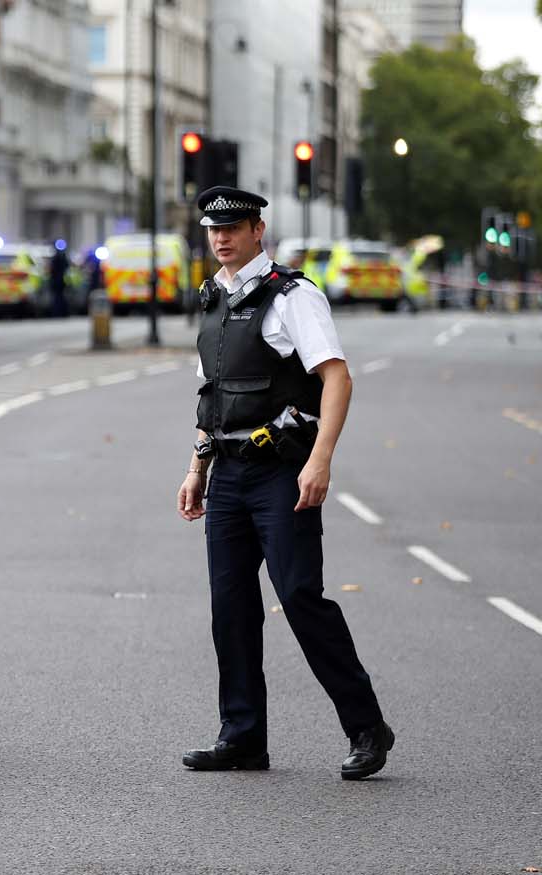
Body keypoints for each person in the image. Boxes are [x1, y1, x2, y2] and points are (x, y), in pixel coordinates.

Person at [176, 186, 394, 780]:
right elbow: (211, 397)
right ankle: (243, 736)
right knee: (231, 606)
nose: (221, 238)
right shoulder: (213, 300)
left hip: (281, 471)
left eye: (234, 228)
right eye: (213, 229)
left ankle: (367, 727)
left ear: (257, 231)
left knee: (299, 596)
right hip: (228, 473)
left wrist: (321, 459)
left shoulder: (292, 296)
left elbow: (337, 379)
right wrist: (197, 467)